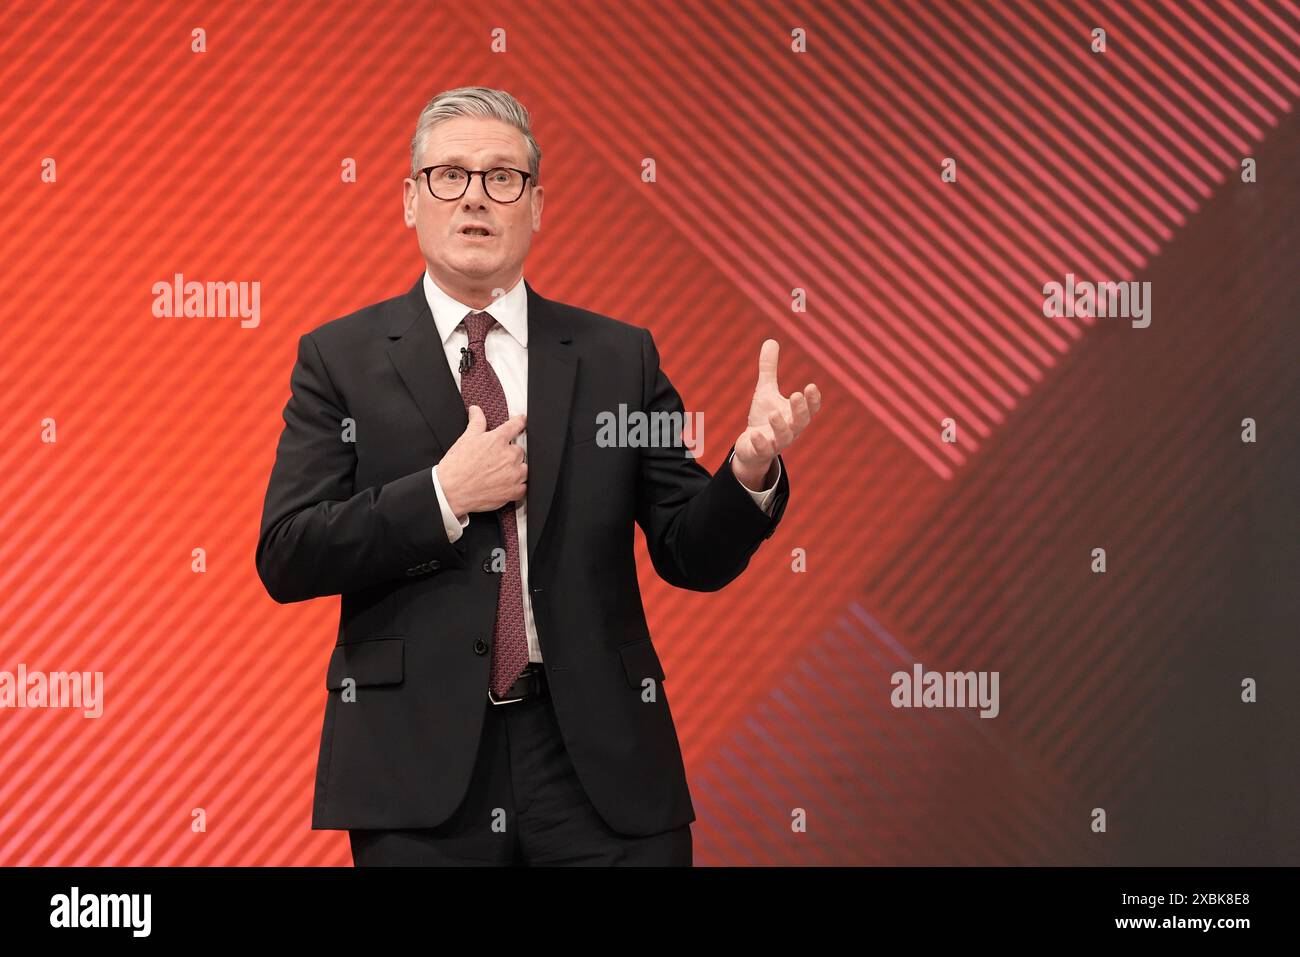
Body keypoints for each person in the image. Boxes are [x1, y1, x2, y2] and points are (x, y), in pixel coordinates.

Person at [255, 86, 821, 865]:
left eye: (503, 178)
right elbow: (288, 551)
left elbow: (691, 550)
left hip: (601, 768)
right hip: (418, 773)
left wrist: (748, 470)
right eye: (448, 175)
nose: (475, 198)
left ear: (539, 204)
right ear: (410, 201)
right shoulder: (339, 360)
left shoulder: (618, 358)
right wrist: (442, 497)